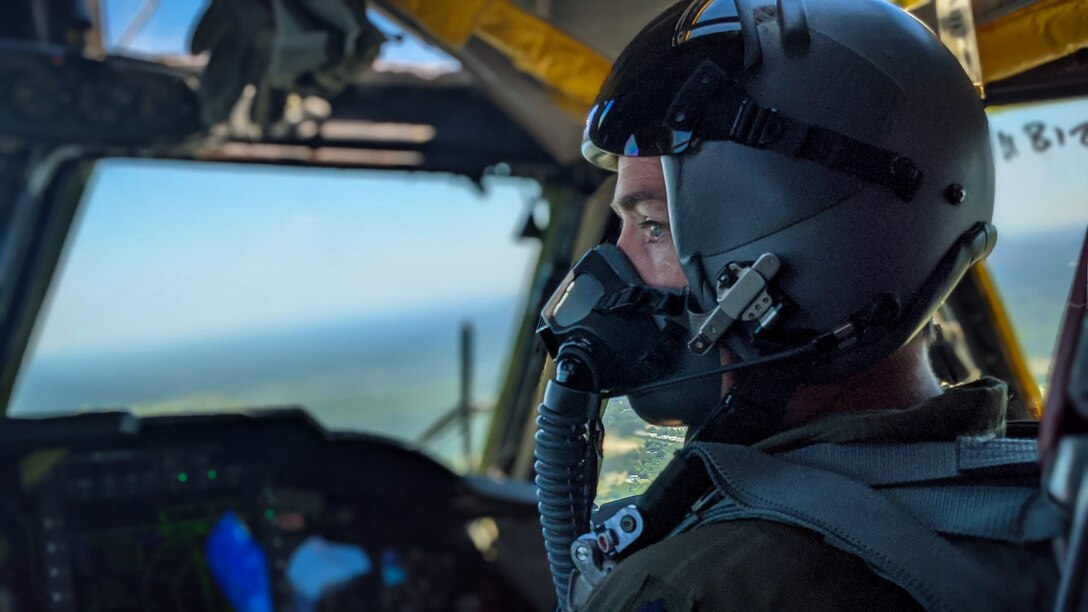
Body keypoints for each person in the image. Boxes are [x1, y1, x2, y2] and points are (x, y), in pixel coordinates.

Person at [534, 0, 1061, 609]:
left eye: (654, 227)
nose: (607, 272)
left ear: (795, 256)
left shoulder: (697, 588)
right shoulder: (1030, 497)